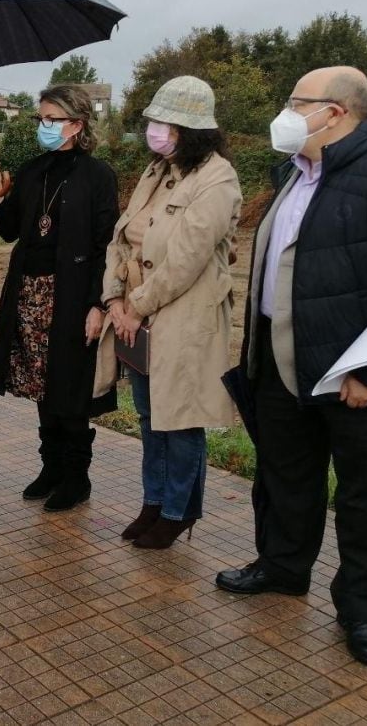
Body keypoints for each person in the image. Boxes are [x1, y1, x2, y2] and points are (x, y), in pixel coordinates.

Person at [216, 67, 367, 668]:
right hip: (282, 358)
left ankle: (364, 610)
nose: (286, 113)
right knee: (285, 475)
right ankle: (283, 565)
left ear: (337, 112)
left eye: (297, 103)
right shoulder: (294, 171)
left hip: (357, 372)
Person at [95, 76, 241, 548]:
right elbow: (122, 238)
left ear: (193, 129)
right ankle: (153, 502)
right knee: (148, 415)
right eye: (153, 122)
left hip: (181, 316)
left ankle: (178, 511)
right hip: (135, 314)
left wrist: (134, 307)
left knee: (179, 418)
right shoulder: (155, 172)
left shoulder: (217, 179)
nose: (156, 131)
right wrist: (114, 298)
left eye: (167, 124)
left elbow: (185, 260)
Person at [0, 84, 119, 511]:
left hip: (72, 296)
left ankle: (77, 476)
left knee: (70, 388)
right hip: (30, 292)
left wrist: (98, 304)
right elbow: (9, 230)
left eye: (53, 119)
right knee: (41, 384)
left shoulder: (98, 175)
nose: (45, 126)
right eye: (41, 118)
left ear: (76, 124)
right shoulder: (33, 170)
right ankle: (51, 466)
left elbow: (105, 245)